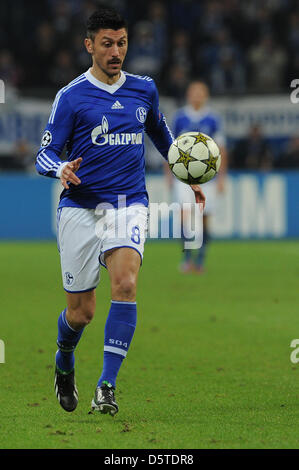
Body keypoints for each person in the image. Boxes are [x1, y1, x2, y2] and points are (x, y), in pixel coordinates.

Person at [35, 7, 205, 416]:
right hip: (79, 208)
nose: (116, 52)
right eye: (107, 44)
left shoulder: (144, 89)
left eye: (122, 43)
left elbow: (163, 137)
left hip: (128, 204)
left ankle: (106, 386)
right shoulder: (71, 96)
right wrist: (61, 168)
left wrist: (186, 171)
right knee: (82, 313)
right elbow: (44, 153)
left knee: (126, 285)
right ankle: (64, 358)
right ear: (89, 45)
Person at [167, 80, 227, 273]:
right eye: (194, 92)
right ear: (188, 95)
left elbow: (222, 150)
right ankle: (187, 259)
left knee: (205, 217)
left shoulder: (213, 119)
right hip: (184, 178)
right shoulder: (180, 118)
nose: (197, 96)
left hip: (207, 177)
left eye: (200, 92)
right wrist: (168, 174)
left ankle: (200, 261)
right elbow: (170, 148)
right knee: (184, 216)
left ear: (206, 95)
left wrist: (222, 178)